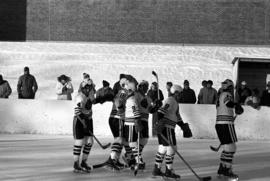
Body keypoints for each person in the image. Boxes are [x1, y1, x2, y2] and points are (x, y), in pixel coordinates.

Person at [152, 84, 192, 179]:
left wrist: (182, 125)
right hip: (167, 128)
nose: (181, 95)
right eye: (180, 93)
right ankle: (168, 171)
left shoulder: (175, 102)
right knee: (172, 148)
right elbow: (161, 111)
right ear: (176, 93)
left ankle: (156, 169)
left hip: (167, 127)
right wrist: (159, 122)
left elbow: (177, 116)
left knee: (163, 148)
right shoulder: (171, 100)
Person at [135, 80, 161, 170]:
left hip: (145, 120)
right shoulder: (136, 95)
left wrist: (156, 106)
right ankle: (137, 157)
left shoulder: (148, 98)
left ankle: (135, 154)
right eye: (145, 86)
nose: (146, 88)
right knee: (137, 140)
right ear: (141, 87)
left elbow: (151, 110)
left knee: (144, 140)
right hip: (137, 120)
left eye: (147, 86)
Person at [215, 79, 238, 180]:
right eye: (232, 87)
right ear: (229, 87)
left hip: (220, 123)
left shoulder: (220, 95)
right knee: (231, 148)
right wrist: (236, 105)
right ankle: (227, 170)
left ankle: (222, 168)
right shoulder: (227, 94)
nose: (232, 89)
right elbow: (228, 103)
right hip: (226, 123)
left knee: (227, 148)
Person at [73, 81, 96, 173]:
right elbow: (77, 111)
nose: (88, 89)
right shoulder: (80, 97)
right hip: (79, 121)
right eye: (86, 88)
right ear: (82, 88)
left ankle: (83, 162)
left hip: (88, 120)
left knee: (90, 141)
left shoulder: (89, 94)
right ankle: (76, 164)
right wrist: (84, 123)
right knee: (79, 142)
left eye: (89, 87)